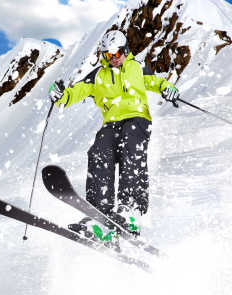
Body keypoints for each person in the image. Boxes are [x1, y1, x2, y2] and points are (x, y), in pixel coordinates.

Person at [48, 30, 180, 236]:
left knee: (131, 147)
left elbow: (157, 82)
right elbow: (75, 93)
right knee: (99, 151)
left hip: (137, 118)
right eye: (108, 55)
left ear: (124, 50)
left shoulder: (136, 67)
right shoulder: (98, 75)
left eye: (116, 54)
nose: (113, 59)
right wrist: (60, 96)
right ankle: (100, 211)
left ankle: (130, 209)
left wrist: (168, 88)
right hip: (111, 123)